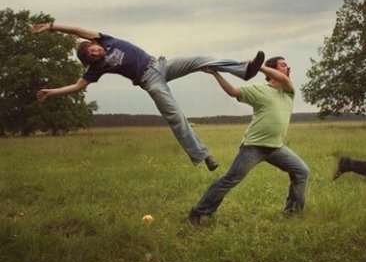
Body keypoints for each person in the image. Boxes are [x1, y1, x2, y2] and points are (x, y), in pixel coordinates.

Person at [31, 22, 265, 171]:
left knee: (201, 60)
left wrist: (51, 26)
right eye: (91, 56)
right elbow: (77, 86)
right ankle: (204, 156)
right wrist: (53, 92)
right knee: (175, 116)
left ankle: (244, 70)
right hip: (150, 81)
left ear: (93, 43)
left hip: (161, 64)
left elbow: (76, 30)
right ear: (91, 61)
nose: (95, 52)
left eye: (92, 49)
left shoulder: (105, 39)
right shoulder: (98, 67)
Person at [188, 56, 310, 225]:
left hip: (276, 147)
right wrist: (216, 74)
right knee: (230, 179)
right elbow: (233, 92)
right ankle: (199, 212)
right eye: (283, 65)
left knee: (302, 171)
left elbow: (283, 80)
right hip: (254, 147)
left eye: (288, 65)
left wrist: (257, 66)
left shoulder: (288, 90)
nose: (288, 68)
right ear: (272, 70)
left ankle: (293, 212)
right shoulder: (258, 89)